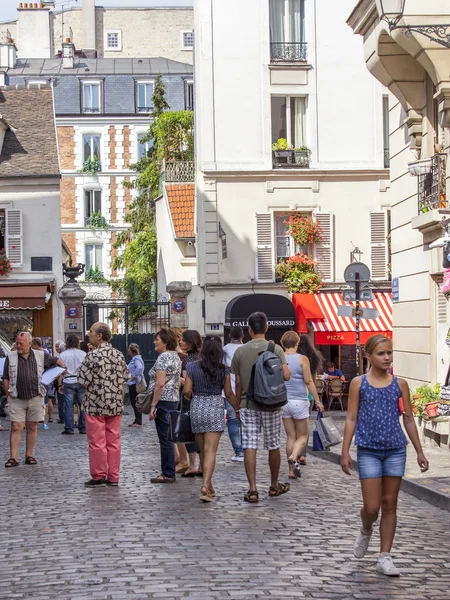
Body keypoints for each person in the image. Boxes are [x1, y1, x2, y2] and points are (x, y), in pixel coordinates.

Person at [341, 334, 429, 577]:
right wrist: (345, 451)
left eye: (389, 352)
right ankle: (366, 528)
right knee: (371, 507)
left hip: (395, 450)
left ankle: (384, 557)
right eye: (381, 353)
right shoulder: (359, 383)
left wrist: (420, 451)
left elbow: (408, 419)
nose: (387, 357)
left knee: (389, 503)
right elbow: (350, 418)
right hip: (368, 450)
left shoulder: (399, 384)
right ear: (368, 356)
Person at [231, 312, 291, 503]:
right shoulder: (276, 349)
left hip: (248, 404)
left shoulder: (240, 351)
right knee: (273, 444)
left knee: (249, 445)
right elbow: (287, 375)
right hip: (272, 404)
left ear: (248, 330)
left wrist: (238, 405)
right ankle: (273, 485)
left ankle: (253, 489)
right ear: (266, 328)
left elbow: (238, 383)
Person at [183, 335, 238, 502]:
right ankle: (205, 486)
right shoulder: (224, 369)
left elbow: (186, 391)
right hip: (215, 407)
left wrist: (191, 397)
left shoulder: (191, 366)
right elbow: (228, 393)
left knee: (202, 450)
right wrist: (237, 408)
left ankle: (209, 484)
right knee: (211, 451)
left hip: (197, 407)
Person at [77, 323, 129, 487]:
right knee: (113, 441)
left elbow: (83, 381)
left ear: (99, 336)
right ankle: (113, 476)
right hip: (114, 403)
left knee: (97, 441)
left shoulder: (92, 356)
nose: (88, 334)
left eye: (91, 332)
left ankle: (98, 475)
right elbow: (125, 377)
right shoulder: (119, 355)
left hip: (95, 404)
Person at [2, 332, 64, 468]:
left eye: (21, 343)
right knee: (16, 426)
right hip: (16, 397)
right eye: (17, 343)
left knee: (32, 426)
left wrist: (63, 370)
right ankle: (13, 458)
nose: (18, 346)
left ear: (29, 344)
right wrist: (7, 394)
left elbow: (56, 362)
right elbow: (5, 376)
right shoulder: (11, 356)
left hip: (36, 396)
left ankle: (29, 455)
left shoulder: (40, 355)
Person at [280, 331, 324, 479]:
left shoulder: (280, 359)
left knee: (290, 436)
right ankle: (294, 455)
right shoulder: (302, 359)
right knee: (303, 436)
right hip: (299, 401)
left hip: (285, 402)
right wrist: (317, 401)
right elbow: (308, 381)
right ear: (297, 343)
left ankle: (291, 470)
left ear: (282, 343)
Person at [148, 328, 182, 484]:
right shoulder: (176, 357)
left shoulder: (163, 358)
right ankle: (169, 471)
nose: (155, 341)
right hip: (174, 398)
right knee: (169, 437)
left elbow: (160, 383)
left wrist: (153, 405)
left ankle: (168, 472)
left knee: (165, 439)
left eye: (158, 339)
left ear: (166, 342)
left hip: (164, 400)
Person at [177, 330, 202, 477]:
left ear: (191, 341)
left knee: (189, 432)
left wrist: (180, 381)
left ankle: (192, 465)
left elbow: (188, 384)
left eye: (183, 340)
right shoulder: (205, 357)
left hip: (190, 399)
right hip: (205, 397)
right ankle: (202, 466)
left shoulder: (187, 361)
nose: (180, 342)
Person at [298, 334, 324, 466]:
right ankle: (302, 454)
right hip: (309, 396)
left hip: (296, 395)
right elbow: (312, 379)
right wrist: (317, 399)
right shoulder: (313, 358)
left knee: (294, 428)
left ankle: (295, 452)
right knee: (305, 426)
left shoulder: (296, 358)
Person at [222, 326, 244, 462]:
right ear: (243, 336)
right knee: (247, 421)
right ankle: (248, 448)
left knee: (232, 421)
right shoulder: (247, 349)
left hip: (229, 391)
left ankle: (239, 451)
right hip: (246, 390)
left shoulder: (224, 350)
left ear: (230, 336)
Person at [58, 334, 87, 435]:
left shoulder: (63, 355)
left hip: (68, 381)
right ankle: (83, 427)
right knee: (82, 406)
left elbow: (60, 370)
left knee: (68, 406)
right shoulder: (83, 354)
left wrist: (60, 384)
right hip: (80, 381)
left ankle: (69, 428)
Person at [127, 343, 145, 428]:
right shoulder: (136, 358)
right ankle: (137, 420)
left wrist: (134, 375)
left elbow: (140, 368)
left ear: (130, 350)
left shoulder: (136, 359)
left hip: (135, 384)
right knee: (134, 403)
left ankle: (138, 421)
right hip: (133, 384)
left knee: (135, 403)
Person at [55, 340, 66, 424]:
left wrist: (59, 384)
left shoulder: (61, 357)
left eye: (57, 347)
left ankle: (62, 417)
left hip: (63, 381)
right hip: (71, 380)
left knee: (62, 400)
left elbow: (60, 372)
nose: (56, 349)